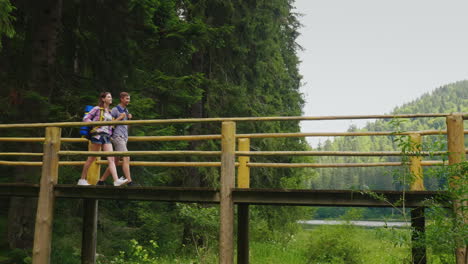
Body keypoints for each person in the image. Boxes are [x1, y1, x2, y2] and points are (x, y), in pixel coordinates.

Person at [77, 92, 128, 186]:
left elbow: (111, 125)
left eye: (111, 97)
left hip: (106, 136)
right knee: (91, 159)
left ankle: (116, 180)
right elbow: (86, 118)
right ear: (103, 99)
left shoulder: (109, 111)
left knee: (111, 159)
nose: (111, 98)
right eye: (109, 97)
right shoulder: (97, 109)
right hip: (97, 135)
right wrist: (95, 123)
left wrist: (120, 118)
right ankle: (82, 179)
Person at [97, 92, 136, 186]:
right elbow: (109, 123)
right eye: (127, 98)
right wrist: (120, 117)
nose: (128, 100)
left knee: (115, 161)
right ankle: (130, 182)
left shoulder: (126, 110)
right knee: (126, 157)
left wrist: (129, 119)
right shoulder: (115, 109)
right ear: (121, 99)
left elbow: (125, 125)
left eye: (129, 99)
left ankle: (101, 181)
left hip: (124, 137)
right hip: (117, 136)